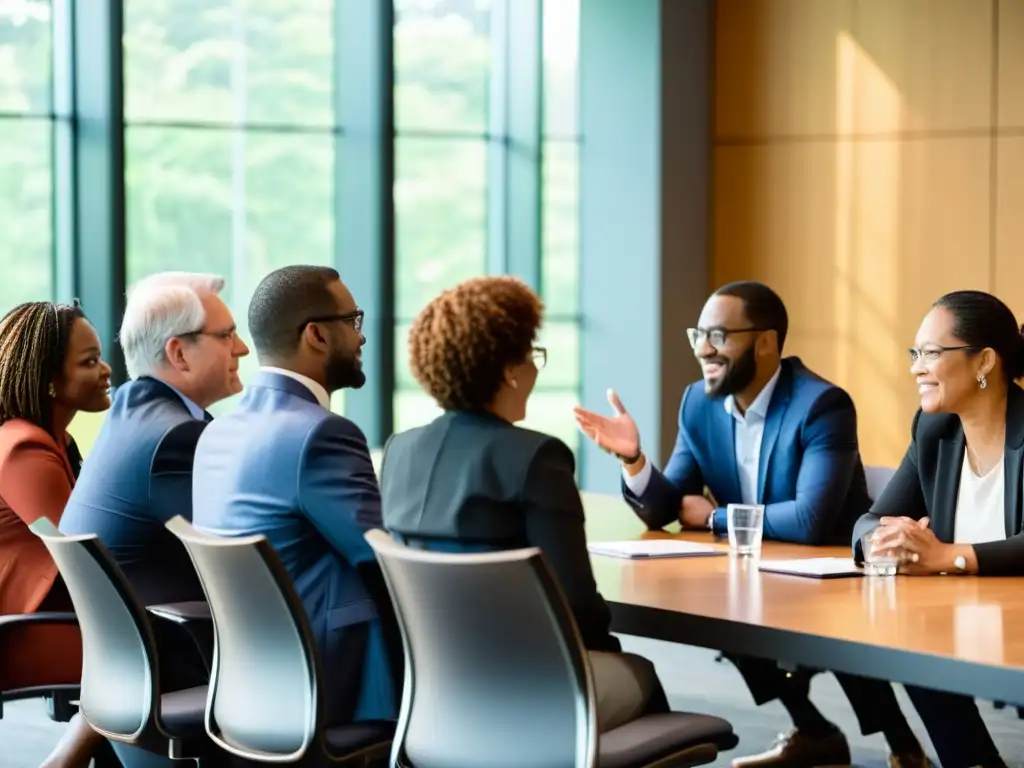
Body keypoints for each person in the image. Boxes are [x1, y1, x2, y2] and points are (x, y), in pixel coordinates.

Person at [575, 281, 930, 768]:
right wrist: (634, 460)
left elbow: (810, 520)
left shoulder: (821, 404)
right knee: (722, 609)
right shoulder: (698, 404)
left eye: (718, 335)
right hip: (759, 570)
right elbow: (667, 508)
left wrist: (716, 517)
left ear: (764, 342)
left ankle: (904, 749)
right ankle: (815, 733)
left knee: (837, 630)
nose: (703, 348)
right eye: (698, 334)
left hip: (837, 573)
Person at [380, 275, 670, 734]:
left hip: (435, 692)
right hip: (533, 693)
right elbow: (577, 607)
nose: (536, 371)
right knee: (643, 675)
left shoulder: (400, 451)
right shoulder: (535, 458)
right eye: (533, 356)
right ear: (509, 369)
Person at [192, 265, 399, 726]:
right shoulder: (322, 434)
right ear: (317, 336)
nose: (362, 338)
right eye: (353, 321)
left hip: (251, 685)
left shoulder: (216, 433)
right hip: (334, 682)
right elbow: (387, 560)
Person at [58, 272, 248, 768]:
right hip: (183, 668)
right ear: (179, 353)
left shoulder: (133, 413)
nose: (244, 349)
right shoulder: (175, 440)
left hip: (126, 679)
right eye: (227, 336)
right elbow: (249, 556)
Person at [854, 290, 1023, 768]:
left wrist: (947, 556)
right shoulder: (935, 432)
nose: (916, 367)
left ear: (984, 361)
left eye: (931, 353)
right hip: (967, 619)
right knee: (909, 633)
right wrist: (886, 545)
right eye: (915, 353)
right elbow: (869, 520)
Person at [0, 300, 112, 768]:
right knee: (152, 650)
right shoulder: (24, 449)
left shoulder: (55, 440)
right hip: (23, 632)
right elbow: (77, 554)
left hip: (49, 616)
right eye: (89, 362)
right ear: (49, 380)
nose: (106, 369)